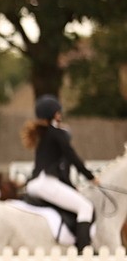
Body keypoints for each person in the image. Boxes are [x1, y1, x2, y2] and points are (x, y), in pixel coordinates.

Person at [22, 94, 99, 252]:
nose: (60, 114)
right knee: (85, 207)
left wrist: (71, 187)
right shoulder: (58, 133)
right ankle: (84, 252)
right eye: (58, 111)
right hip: (46, 183)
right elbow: (72, 157)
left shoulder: (42, 135)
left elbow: (58, 168)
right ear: (54, 114)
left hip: (35, 184)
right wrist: (91, 177)